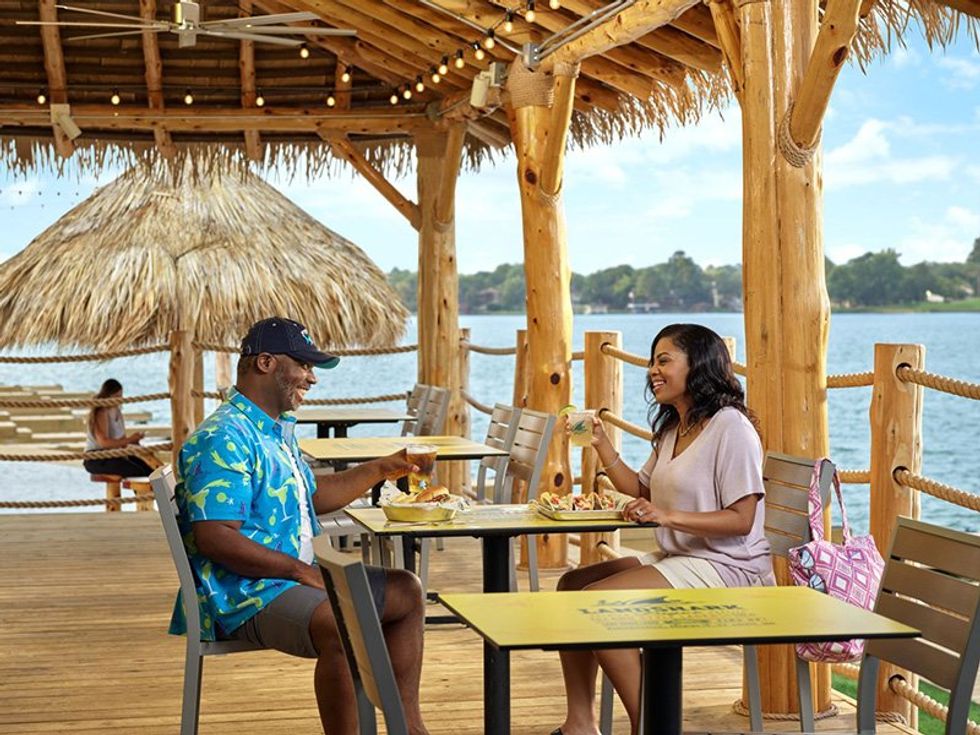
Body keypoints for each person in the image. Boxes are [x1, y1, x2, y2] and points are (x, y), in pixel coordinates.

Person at [168, 316, 429, 735]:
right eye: (304, 366)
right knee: (348, 622)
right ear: (266, 363)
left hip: (285, 580)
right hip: (244, 593)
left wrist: (383, 467)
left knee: (405, 591)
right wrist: (300, 570)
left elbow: (312, 498)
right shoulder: (224, 436)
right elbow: (215, 538)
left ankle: (410, 728)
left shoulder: (275, 430)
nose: (311, 378)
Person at [552, 323, 774, 735]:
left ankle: (649, 726)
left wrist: (666, 516)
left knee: (599, 603)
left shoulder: (732, 428)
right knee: (571, 586)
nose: (653, 370)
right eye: (653, 361)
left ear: (699, 365)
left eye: (664, 360)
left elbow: (742, 520)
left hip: (731, 568)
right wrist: (601, 443)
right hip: (685, 557)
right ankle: (579, 724)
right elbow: (640, 487)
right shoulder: (676, 426)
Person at [83, 378, 156, 477]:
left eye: (120, 396)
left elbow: (122, 442)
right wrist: (130, 439)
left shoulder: (118, 412)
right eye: (117, 396)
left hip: (114, 455)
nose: (120, 399)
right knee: (137, 472)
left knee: (149, 470)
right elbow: (104, 443)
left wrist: (134, 442)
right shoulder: (101, 412)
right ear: (108, 396)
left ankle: (162, 492)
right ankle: (147, 492)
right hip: (96, 458)